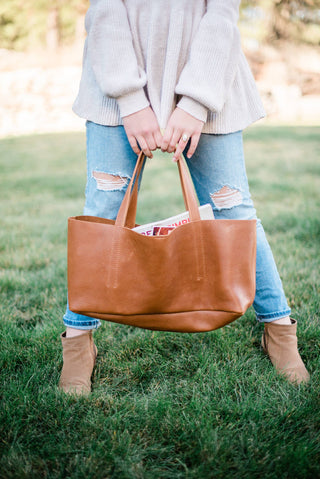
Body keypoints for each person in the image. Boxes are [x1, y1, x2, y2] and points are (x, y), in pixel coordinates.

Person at [59, 0, 309, 395]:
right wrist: (130, 99)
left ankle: (279, 331)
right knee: (102, 213)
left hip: (208, 83)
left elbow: (221, 16)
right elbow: (105, 12)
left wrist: (194, 104)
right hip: (116, 86)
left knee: (235, 211)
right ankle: (77, 343)